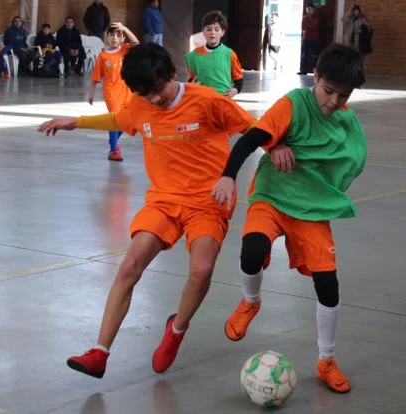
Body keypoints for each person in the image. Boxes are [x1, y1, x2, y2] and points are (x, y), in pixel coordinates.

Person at [37, 43, 255, 380]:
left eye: (157, 90)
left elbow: (253, 129)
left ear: (171, 74)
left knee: (200, 271)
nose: (153, 100)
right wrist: (75, 122)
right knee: (129, 265)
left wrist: (273, 150)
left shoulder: (207, 101)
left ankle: (176, 330)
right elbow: (121, 118)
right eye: (145, 94)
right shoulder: (141, 103)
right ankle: (100, 352)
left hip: (207, 201)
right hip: (164, 200)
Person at [211, 43, 367, 394]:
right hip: (272, 195)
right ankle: (251, 302)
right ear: (316, 77)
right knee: (251, 251)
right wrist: (228, 175)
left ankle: (326, 360)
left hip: (309, 207)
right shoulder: (293, 105)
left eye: (343, 96)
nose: (332, 102)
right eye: (328, 91)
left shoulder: (346, 121)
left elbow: (350, 159)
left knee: (328, 285)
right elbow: (251, 139)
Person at [88, 22, 139, 161]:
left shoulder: (125, 50)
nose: (115, 38)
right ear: (107, 37)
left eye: (118, 35)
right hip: (111, 93)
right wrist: (91, 93)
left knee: (127, 121)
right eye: (112, 35)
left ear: (122, 38)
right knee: (115, 118)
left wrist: (125, 28)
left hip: (127, 92)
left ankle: (113, 140)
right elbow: (95, 77)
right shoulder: (102, 56)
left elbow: (136, 43)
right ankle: (114, 150)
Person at [185, 10, 243, 98]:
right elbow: (191, 79)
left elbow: (239, 80)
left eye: (216, 29)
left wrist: (235, 90)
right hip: (202, 100)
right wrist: (191, 85)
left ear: (222, 32)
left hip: (223, 100)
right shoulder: (194, 55)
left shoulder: (229, 54)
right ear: (203, 31)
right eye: (209, 29)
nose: (212, 32)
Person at [299, 2, 321, 75]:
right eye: (307, 9)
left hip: (314, 38)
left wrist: (309, 26)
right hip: (306, 38)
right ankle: (303, 71)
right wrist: (309, 26)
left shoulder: (316, 17)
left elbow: (315, 26)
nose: (309, 10)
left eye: (310, 9)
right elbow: (303, 27)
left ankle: (315, 71)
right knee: (304, 55)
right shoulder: (304, 17)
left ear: (313, 9)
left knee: (315, 56)